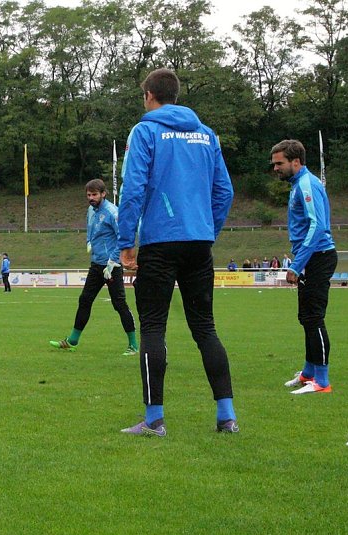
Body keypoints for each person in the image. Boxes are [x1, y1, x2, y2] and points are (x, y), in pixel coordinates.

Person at [117, 68, 237, 437]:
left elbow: (133, 187)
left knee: (153, 326)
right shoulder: (206, 134)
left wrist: (126, 242)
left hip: (160, 242)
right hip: (199, 242)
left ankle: (154, 420)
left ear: (149, 96)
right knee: (205, 328)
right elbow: (225, 192)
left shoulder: (146, 131)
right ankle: (226, 417)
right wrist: (206, 230)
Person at [271, 139, 337, 395]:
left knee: (314, 318)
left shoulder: (307, 184)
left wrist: (297, 265)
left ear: (295, 162)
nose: (276, 168)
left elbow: (317, 226)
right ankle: (309, 373)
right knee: (306, 317)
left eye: (280, 163)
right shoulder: (299, 184)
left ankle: (322, 381)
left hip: (317, 257)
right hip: (312, 257)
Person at [50, 179, 138, 356]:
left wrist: (113, 262)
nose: (91, 198)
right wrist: (88, 241)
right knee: (85, 300)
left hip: (111, 267)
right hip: (96, 265)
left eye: (94, 194)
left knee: (119, 304)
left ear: (103, 194)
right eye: (88, 195)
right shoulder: (90, 210)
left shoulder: (113, 212)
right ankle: (72, 340)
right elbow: (90, 228)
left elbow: (124, 237)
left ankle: (133, 345)